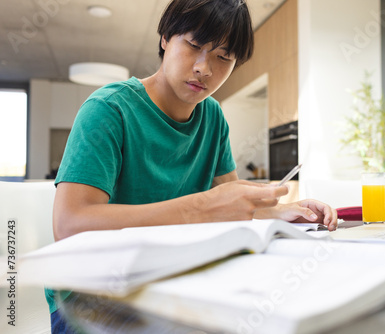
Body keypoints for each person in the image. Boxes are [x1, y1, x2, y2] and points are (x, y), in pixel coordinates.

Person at [47, 0, 337, 332]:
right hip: (94, 297)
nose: (204, 68)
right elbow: (70, 225)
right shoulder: (109, 109)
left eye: (223, 57)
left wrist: (285, 211)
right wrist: (199, 208)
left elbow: (231, 205)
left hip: (172, 281)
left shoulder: (212, 117)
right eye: (195, 46)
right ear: (165, 38)